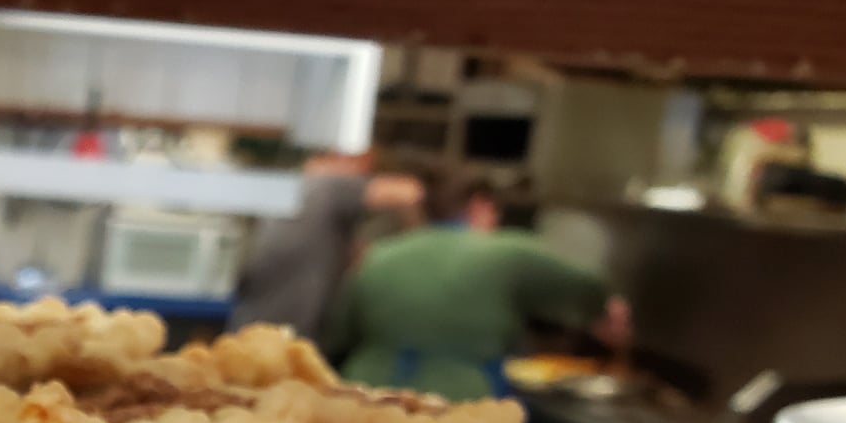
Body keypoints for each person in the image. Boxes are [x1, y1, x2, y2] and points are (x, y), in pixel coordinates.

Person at [322, 176, 631, 401]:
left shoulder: (379, 254)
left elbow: (340, 332)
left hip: (366, 394)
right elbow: (588, 284)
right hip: (457, 402)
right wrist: (603, 311)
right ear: (480, 206)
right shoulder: (503, 251)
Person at [228, 152, 423, 339]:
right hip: (292, 328)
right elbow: (409, 192)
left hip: (252, 323)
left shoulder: (293, 188)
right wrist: (421, 243)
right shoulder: (330, 185)